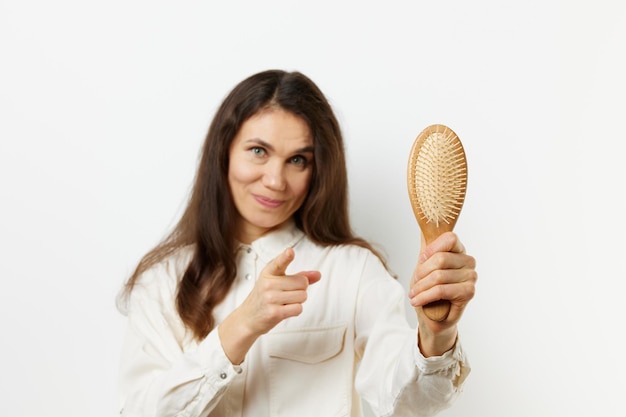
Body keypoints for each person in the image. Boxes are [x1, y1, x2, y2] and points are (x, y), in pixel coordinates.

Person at [116, 69, 477, 417]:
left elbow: (407, 404)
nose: (275, 180)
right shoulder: (163, 280)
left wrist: (435, 336)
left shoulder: (353, 270)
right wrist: (241, 326)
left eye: (298, 160)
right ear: (223, 152)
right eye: (258, 151)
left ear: (317, 170)